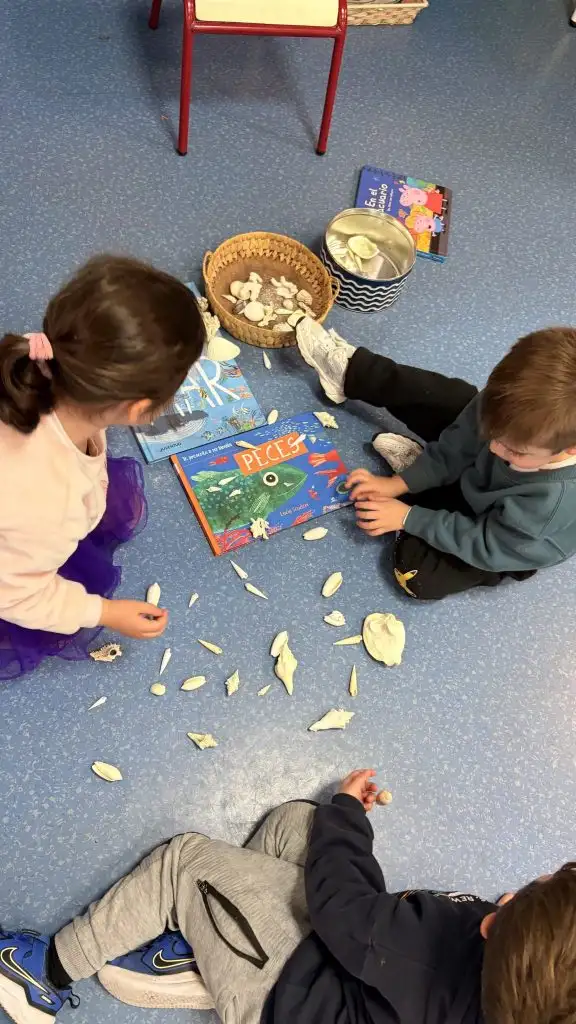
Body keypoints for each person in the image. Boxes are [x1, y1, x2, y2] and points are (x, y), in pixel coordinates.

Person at [0, 769, 574, 1024]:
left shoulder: (429, 950)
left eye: (541, 883)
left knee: (185, 862)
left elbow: (345, 908)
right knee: (297, 825)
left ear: (491, 927)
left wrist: (348, 814)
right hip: (354, 980)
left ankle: (43, 974)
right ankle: (206, 948)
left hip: (291, 996)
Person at [0, 255, 205, 680]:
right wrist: (105, 612)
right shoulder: (50, 504)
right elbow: (17, 594)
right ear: (139, 410)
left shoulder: (37, 361)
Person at [296, 319, 576, 600]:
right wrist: (397, 484)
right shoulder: (506, 414)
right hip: (477, 481)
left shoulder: (553, 501)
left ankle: (421, 491)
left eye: (515, 451)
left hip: (499, 539)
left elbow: (487, 544)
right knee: (452, 397)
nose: (493, 448)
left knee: (417, 576)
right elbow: (461, 443)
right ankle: (351, 371)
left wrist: (407, 517)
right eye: (492, 433)